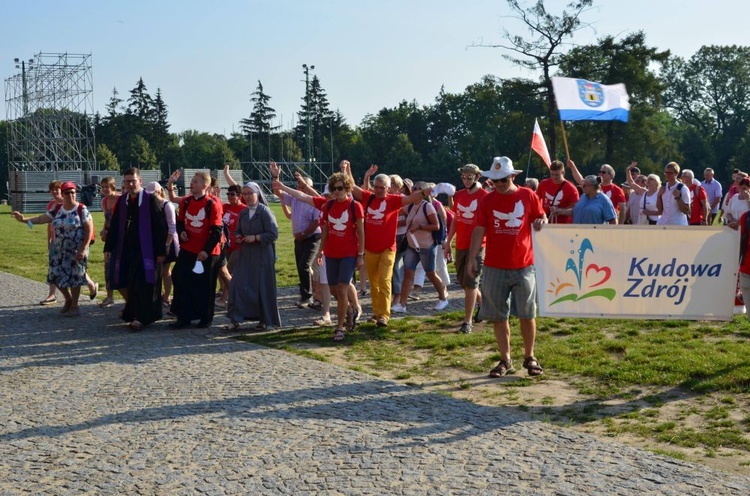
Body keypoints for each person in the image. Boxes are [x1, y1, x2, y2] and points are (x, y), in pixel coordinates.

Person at [467, 156, 546, 377]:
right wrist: (473, 258)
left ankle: (530, 357)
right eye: (495, 181)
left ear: (512, 176)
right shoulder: (487, 201)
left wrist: (542, 221)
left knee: (527, 314)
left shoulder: (528, 195)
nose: (499, 184)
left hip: (524, 265)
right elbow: (479, 230)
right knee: (499, 316)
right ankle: (505, 359)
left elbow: (542, 217)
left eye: (503, 180)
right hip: (494, 266)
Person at [275, 169, 365, 341]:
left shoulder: (355, 206)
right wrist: (321, 249)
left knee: (342, 287)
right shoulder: (328, 205)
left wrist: (361, 254)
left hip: (348, 253)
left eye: (339, 188)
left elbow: (361, 231)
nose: (336, 192)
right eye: (334, 189)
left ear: (347, 188)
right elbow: (324, 229)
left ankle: (340, 327)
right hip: (331, 253)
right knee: (332, 289)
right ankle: (350, 311)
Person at [343, 162, 428, 327]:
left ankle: (384, 316)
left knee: (384, 281)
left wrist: (426, 192)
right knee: (373, 284)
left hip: (388, 248)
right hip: (369, 248)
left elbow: (411, 198)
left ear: (388, 189)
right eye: (376, 186)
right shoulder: (368, 197)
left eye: (382, 187)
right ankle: (376, 313)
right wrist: (348, 170)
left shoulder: (394, 200)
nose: (378, 190)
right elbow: (352, 187)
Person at [13, 181, 95, 317]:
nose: (70, 195)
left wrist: (83, 248)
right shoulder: (57, 209)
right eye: (67, 193)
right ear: (62, 194)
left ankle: (75, 306)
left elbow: (88, 229)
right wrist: (24, 219)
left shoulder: (81, 209)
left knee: (75, 277)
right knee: (54, 276)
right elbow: (41, 219)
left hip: (76, 250)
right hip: (59, 250)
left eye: (73, 192)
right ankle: (67, 299)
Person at [104, 169, 168, 331]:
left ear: (140, 181)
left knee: (145, 284)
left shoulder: (150, 200)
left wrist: (161, 252)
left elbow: (161, 227)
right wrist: (109, 247)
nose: (130, 184)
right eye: (127, 181)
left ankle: (142, 318)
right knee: (130, 283)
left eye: (133, 181)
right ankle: (133, 313)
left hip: (148, 250)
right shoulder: (123, 200)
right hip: (127, 249)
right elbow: (115, 225)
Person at [169, 171, 224, 329]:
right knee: (180, 278)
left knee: (205, 285)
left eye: (196, 181)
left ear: (205, 186)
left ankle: (205, 318)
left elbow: (217, 231)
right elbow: (179, 223)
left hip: (208, 251)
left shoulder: (212, 204)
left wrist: (206, 250)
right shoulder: (186, 201)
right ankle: (183, 316)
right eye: (192, 181)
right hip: (188, 249)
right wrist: (182, 232)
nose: (192, 184)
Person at [225, 182, 281, 331]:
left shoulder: (265, 212)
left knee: (262, 287)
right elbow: (237, 230)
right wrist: (238, 237)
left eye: (250, 193)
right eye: (245, 194)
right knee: (237, 284)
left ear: (257, 194)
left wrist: (256, 237)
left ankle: (264, 320)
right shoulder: (243, 212)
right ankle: (235, 318)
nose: (248, 197)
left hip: (262, 256)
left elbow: (273, 234)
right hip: (245, 254)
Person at [270, 164, 322, 308]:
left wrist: (304, 234)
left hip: (312, 237)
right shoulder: (294, 199)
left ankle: (309, 297)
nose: (300, 189)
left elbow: (316, 221)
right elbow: (277, 191)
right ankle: (306, 295)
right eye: (299, 186)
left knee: (305, 265)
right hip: (299, 238)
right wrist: (275, 176)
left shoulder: (314, 202)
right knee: (300, 267)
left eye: (303, 186)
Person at [393, 182, 449, 314]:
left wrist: (420, 227)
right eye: (413, 189)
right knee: (408, 273)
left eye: (417, 189)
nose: (413, 191)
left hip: (427, 246)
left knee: (431, 273)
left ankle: (443, 298)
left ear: (423, 192)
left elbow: (436, 226)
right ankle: (402, 304)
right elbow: (396, 211)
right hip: (413, 246)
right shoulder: (411, 206)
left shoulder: (427, 207)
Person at [444, 164, 488, 334]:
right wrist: (448, 242)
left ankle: (467, 322)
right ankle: (484, 306)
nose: (466, 180)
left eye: (470, 177)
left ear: (477, 177)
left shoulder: (484, 196)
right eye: (464, 177)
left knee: (471, 283)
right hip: (460, 245)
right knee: (464, 282)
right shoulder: (460, 195)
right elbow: (456, 219)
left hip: (477, 246)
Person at [145, 181, 179, 307]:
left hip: (168, 240)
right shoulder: (149, 205)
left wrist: (167, 244)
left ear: (159, 192)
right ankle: (158, 295)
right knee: (156, 269)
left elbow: (172, 226)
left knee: (165, 269)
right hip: (156, 241)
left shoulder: (167, 205)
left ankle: (167, 296)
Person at [39, 180, 63, 305]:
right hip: (55, 241)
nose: (54, 192)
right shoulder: (51, 205)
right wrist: (49, 240)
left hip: (66, 242)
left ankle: (91, 286)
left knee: (71, 267)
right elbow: (49, 224)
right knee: (53, 268)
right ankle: (52, 294)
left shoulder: (67, 203)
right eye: (52, 189)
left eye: (57, 189)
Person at [535, 160, 579, 224]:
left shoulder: (571, 189)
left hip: (563, 225)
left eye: (557, 175)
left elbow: (576, 210)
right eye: (552, 174)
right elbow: (536, 201)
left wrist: (561, 211)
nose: (554, 177)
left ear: (563, 172)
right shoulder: (543, 184)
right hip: (545, 223)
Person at [98, 177, 120, 307]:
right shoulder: (104, 201)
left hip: (121, 237)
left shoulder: (120, 199)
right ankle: (109, 296)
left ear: (113, 186)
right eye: (103, 187)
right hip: (110, 237)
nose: (105, 189)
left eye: (107, 186)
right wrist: (104, 230)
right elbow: (106, 218)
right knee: (107, 266)